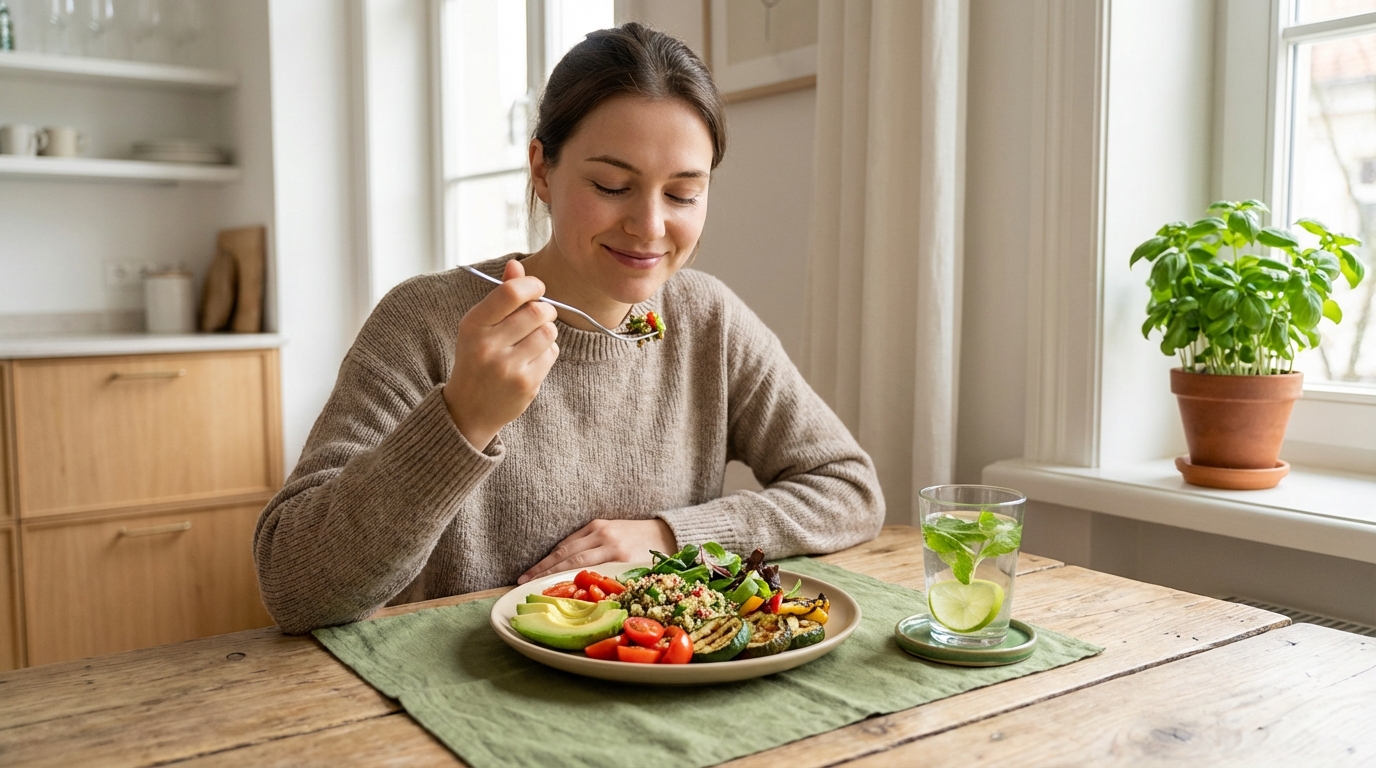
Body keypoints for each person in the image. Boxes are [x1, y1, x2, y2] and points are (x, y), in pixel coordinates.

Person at [254, 22, 884, 634]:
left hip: (661, 689)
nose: (649, 226)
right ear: (541, 170)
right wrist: (462, 418)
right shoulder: (425, 322)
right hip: (451, 701)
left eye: (684, 194)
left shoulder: (706, 318)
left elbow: (849, 491)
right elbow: (293, 585)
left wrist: (668, 536)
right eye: (612, 185)